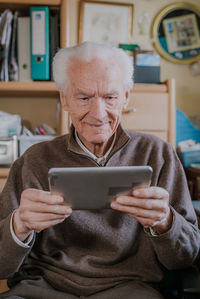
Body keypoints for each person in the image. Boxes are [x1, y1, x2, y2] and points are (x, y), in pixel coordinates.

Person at [0, 42, 199, 299]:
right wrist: (20, 225)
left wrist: (165, 222)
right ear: (64, 98)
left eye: (110, 97)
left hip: (131, 289)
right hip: (43, 289)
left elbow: (185, 258)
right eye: (84, 98)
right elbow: (2, 267)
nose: (98, 113)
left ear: (126, 97)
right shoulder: (33, 160)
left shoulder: (158, 153)